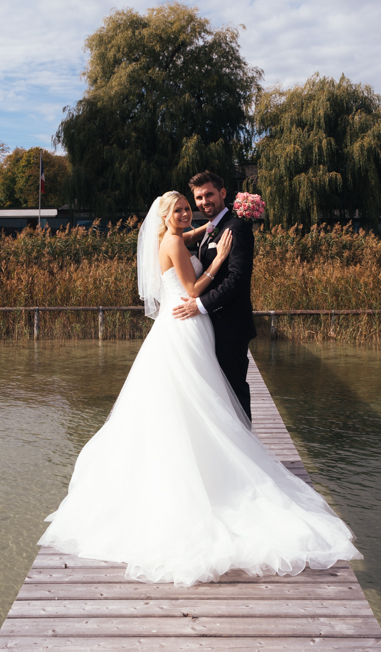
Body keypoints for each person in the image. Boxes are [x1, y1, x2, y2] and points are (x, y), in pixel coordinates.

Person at [38, 189, 360, 587]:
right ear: (165, 215)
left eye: (188, 207)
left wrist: (212, 224)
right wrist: (220, 258)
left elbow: (191, 237)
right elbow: (191, 290)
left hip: (182, 329)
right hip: (185, 324)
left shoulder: (173, 236)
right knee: (196, 398)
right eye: (179, 208)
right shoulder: (171, 240)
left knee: (192, 400)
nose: (186, 213)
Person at [172, 171, 255, 421]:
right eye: (198, 197)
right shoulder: (210, 228)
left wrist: (200, 305)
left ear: (222, 194)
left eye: (209, 194)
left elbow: (236, 279)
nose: (204, 201)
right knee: (216, 396)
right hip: (210, 328)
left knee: (234, 392)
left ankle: (246, 453)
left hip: (230, 327)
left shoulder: (236, 228)